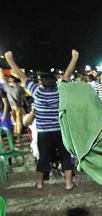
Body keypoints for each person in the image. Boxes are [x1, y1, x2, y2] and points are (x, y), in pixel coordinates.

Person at [4, 50, 78, 190]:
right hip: (60, 131)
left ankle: (39, 183)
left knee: (43, 158)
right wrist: (74, 58)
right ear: (55, 82)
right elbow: (67, 74)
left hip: (44, 132)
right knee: (66, 157)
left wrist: (10, 60)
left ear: (41, 83)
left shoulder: (37, 91)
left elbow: (21, 75)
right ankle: (68, 184)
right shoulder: (59, 91)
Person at [0, 72, 26, 141]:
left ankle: (15, 135)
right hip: (19, 106)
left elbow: (2, 80)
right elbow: (24, 98)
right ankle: (18, 137)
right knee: (19, 121)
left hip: (11, 108)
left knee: (14, 122)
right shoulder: (20, 88)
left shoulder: (7, 88)